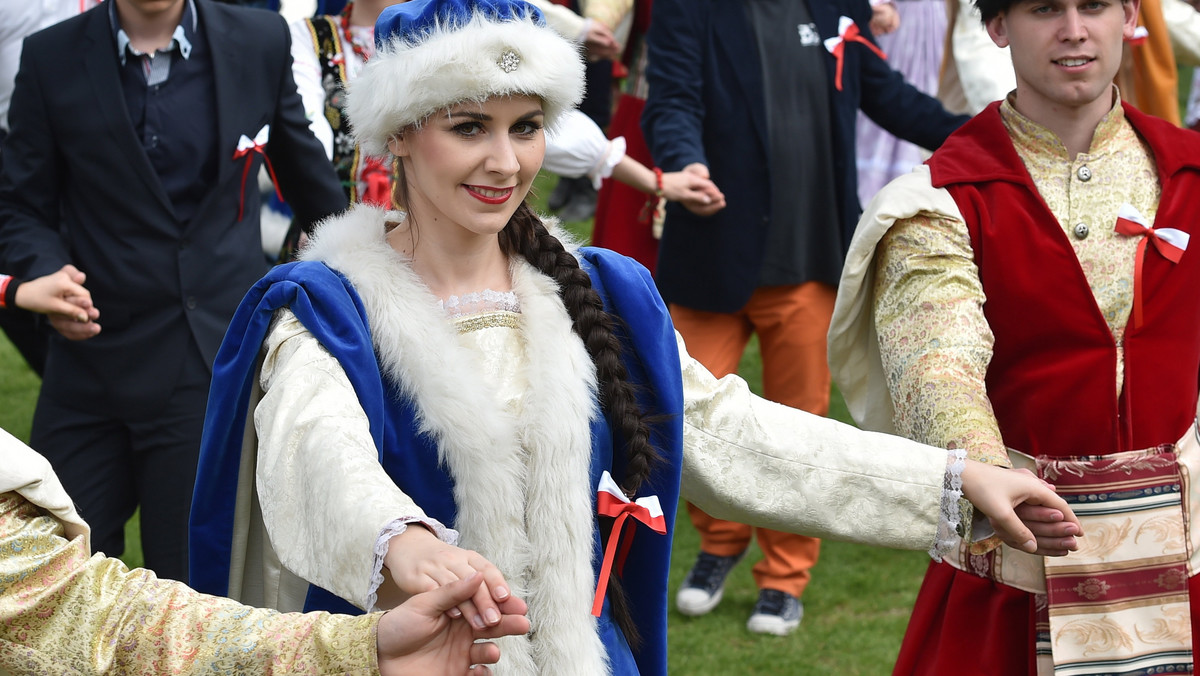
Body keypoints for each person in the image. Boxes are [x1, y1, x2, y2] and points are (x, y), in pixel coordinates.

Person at [188, 1, 1081, 674]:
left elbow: (737, 435)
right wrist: (404, 545)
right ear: (404, 136)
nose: (506, 163)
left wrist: (951, 481)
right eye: (471, 129)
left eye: (526, 128)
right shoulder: (329, 308)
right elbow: (318, 458)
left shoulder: (600, 295)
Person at [827, 0, 1200, 670]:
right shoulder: (940, 198)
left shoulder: (1191, 171)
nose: (1074, 30)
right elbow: (935, 359)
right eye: (1044, 9)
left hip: (1188, 567)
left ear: (1131, 16)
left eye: (1093, 6)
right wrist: (988, 475)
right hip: (1018, 572)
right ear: (997, 26)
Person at [640, 0, 969, 636]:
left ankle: (784, 577)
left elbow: (888, 94)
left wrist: (991, 131)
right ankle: (719, 542)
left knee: (801, 427)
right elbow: (672, 96)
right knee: (686, 420)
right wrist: (685, 160)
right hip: (711, 253)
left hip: (811, 256)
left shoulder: (838, 4)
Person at [0, 0, 348, 582]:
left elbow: (311, 185)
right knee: (53, 572)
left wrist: (366, 272)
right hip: (90, 362)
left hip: (208, 364)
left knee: (189, 586)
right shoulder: (50, 55)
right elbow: (21, 204)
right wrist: (45, 268)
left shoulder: (258, 39)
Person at [0, 427, 528, 676]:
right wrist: (397, 535)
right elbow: (314, 429)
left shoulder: (596, 285)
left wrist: (357, 648)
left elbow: (98, 619)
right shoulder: (321, 306)